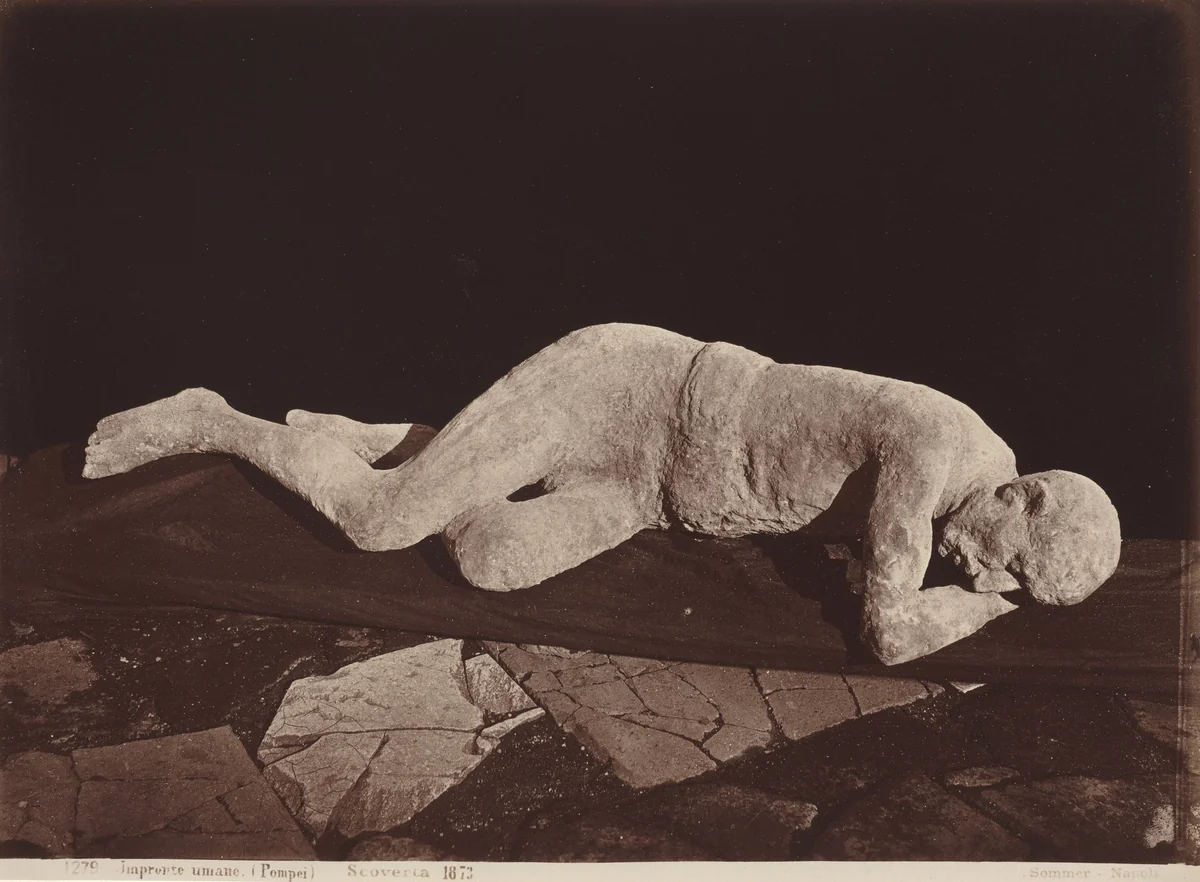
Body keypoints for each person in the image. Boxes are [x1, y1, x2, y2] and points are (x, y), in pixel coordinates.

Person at [83, 323, 1121, 664]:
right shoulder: (932, 450)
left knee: (487, 557)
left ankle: (408, 444)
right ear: (1017, 498)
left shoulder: (970, 502)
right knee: (379, 524)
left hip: (647, 491)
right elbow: (890, 634)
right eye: (1009, 570)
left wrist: (996, 589)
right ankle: (213, 419)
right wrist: (980, 607)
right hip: (626, 393)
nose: (989, 582)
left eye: (1012, 594)